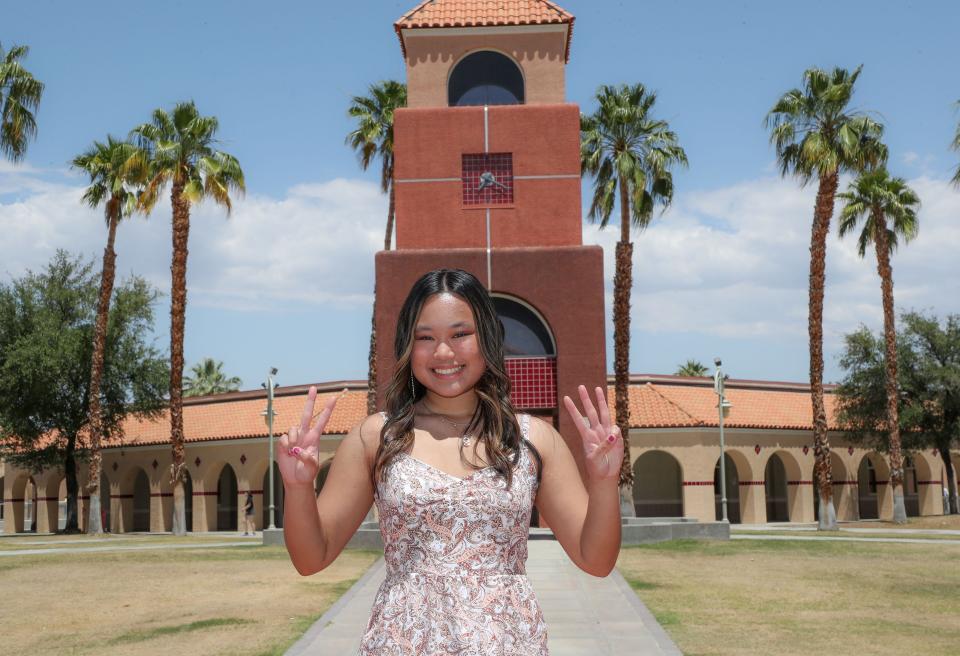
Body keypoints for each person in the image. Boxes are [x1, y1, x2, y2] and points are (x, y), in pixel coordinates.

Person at [279, 268, 624, 654]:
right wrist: (297, 488)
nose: (444, 353)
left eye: (460, 334)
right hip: (404, 642)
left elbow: (596, 560)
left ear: (487, 338)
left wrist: (604, 481)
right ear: (408, 346)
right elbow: (311, 558)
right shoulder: (378, 437)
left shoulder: (531, 440)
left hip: (507, 643)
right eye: (425, 338)